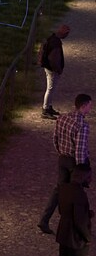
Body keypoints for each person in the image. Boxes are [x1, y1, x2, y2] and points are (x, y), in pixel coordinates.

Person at [39, 93, 92, 234]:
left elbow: (55, 138)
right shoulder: (82, 125)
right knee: (76, 194)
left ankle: (44, 220)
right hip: (74, 163)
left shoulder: (63, 118)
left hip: (62, 158)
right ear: (84, 105)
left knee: (59, 190)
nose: (90, 109)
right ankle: (76, 226)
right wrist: (83, 168)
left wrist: (61, 152)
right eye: (90, 106)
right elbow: (80, 150)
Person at [52, 163, 92, 256]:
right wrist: (88, 238)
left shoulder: (64, 188)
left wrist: (87, 213)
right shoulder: (80, 194)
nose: (91, 179)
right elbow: (80, 222)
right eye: (90, 176)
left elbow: (64, 210)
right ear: (84, 177)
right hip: (76, 239)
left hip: (64, 233)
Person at [40, 25, 70, 119]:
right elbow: (54, 60)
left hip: (48, 67)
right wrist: (58, 70)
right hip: (52, 69)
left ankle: (48, 107)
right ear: (64, 33)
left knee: (51, 89)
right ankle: (45, 109)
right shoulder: (56, 43)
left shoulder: (52, 38)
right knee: (50, 89)